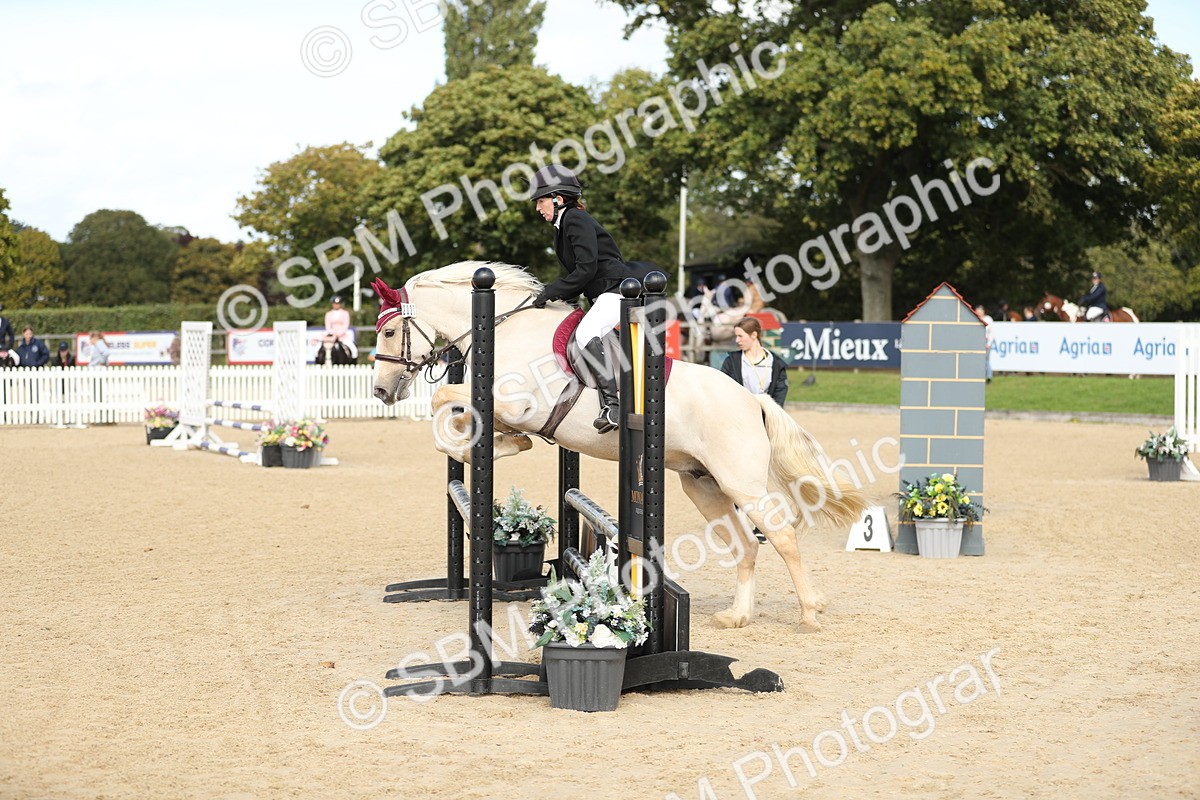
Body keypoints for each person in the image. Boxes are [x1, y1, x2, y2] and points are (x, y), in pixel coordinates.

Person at [528, 165, 654, 434]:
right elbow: (578, 276)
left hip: (617, 290)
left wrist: (550, 292)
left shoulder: (575, 219)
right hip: (601, 294)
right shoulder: (562, 227)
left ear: (558, 199)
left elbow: (586, 269)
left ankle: (613, 406)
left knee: (586, 333)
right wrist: (554, 297)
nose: (538, 208)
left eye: (540, 201)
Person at [718, 318, 789, 406]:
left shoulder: (776, 364)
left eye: (740, 336)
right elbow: (723, 388)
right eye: (736, 336)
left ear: (754, 335)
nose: (737, 340)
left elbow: (780, 393)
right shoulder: (731, 361)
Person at [974, 304, 994, 383]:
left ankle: (988, 376)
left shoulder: (988, 319)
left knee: (986, 360)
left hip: (986, 341)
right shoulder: (975, 319)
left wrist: (989, 343)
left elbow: (992, 332)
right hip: (977, 341)